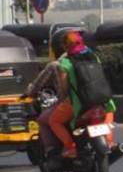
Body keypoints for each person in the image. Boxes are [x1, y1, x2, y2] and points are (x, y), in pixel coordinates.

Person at [23, 30, 115, 160]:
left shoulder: (63, 63)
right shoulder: (94, 57)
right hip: (104, 101)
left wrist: (62, 99)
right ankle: (110, 142)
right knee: (107, 115)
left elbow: (64, 89)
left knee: (53, 120)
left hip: (78, 104)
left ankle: (70, 147)